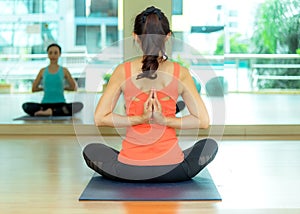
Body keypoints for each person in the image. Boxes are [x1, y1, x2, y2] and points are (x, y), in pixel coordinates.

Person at [83, 6, 218, 182]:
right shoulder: (181, 72)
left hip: (129, 170)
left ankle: (136, 162)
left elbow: (100, 118)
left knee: (91, 150)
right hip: (172, 170)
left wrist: (139, 119)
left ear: (135, 37)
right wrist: (166, 121)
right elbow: (203, 121)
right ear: (168, 36)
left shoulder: (122, 71)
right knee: (209, 145)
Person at [22, 43, 83, 116]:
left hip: (60, 104)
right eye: (50, 53)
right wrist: (45, 88)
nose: (53, 55)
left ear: (59, 54)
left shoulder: (64, 70)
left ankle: (50, 112)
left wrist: (62, 88)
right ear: (47, 54)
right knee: (25, 106)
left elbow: (74, 87)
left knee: (79, 105)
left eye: (55, 53)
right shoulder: (42, 71)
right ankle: (53, 112)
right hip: (44, 105)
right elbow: (34, 88)